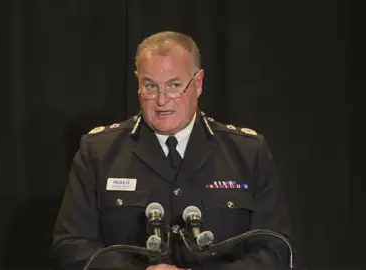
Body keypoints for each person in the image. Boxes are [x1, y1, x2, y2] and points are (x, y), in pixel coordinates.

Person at [51, 31, 292, 270]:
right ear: (137, 82)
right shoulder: (99, 153)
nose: (161, 100)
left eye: (174, 85)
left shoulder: (247, 153)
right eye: (150, 86)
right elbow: (70, 248)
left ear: (198, 83)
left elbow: (276, 251)